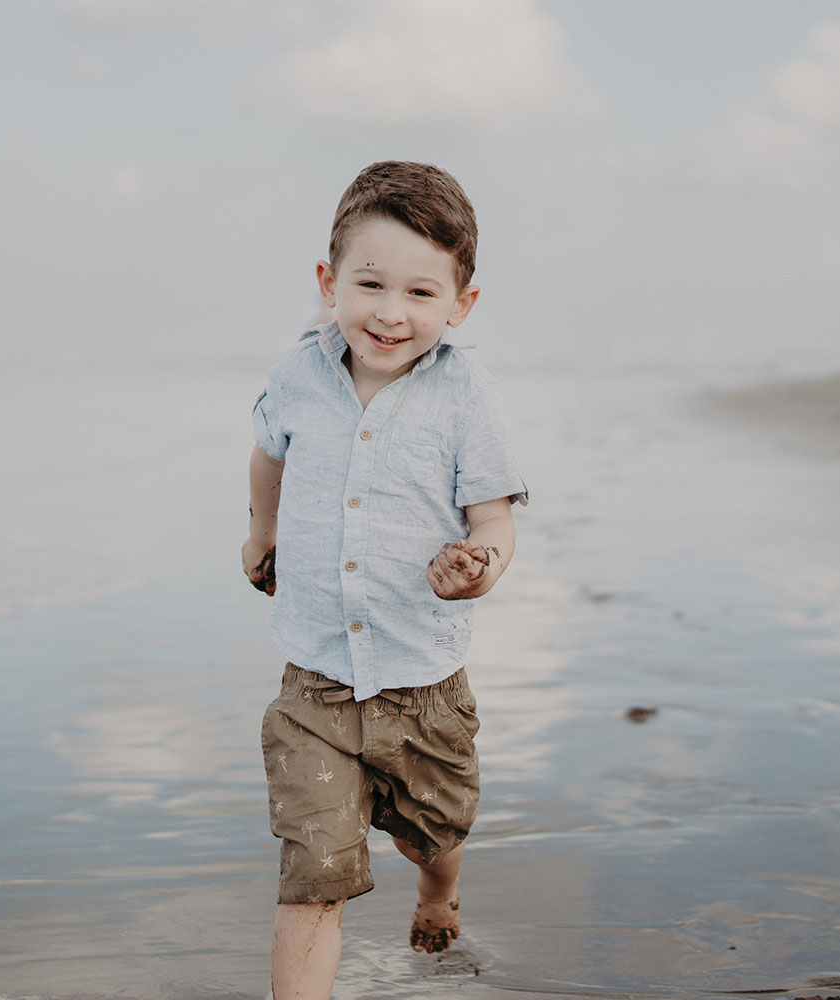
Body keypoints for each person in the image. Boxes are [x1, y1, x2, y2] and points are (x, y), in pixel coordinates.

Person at [241, 161, 527, 998]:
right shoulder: (299, 374)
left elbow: (494, 520)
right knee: (314, 876)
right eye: (369, 284)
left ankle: (438, 891)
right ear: (329, 282)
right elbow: (267, 455)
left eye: (420, 293)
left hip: (423, 681)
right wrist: (261, 533)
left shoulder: (466, 396)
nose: (391, 313)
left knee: (431, 834)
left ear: (461, 305)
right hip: (314, 683)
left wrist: (478, 569)